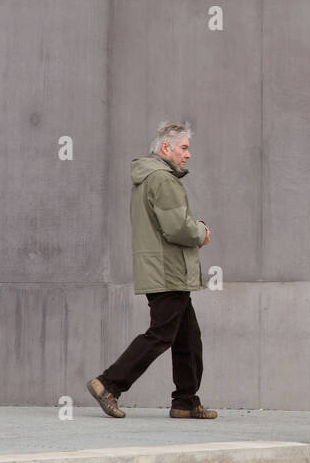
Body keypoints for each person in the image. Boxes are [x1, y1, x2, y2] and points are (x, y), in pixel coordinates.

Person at [86, 122, 217, 419]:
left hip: (163, 269)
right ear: (165, 148)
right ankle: (108, 383)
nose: (188, 154)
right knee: (161, 335)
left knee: (188, 338)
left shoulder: (148, 177)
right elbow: (177, 228)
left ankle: (185, 401)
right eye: (183, 148)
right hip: (168, 270)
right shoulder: (163, 179)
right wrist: (201, 231)